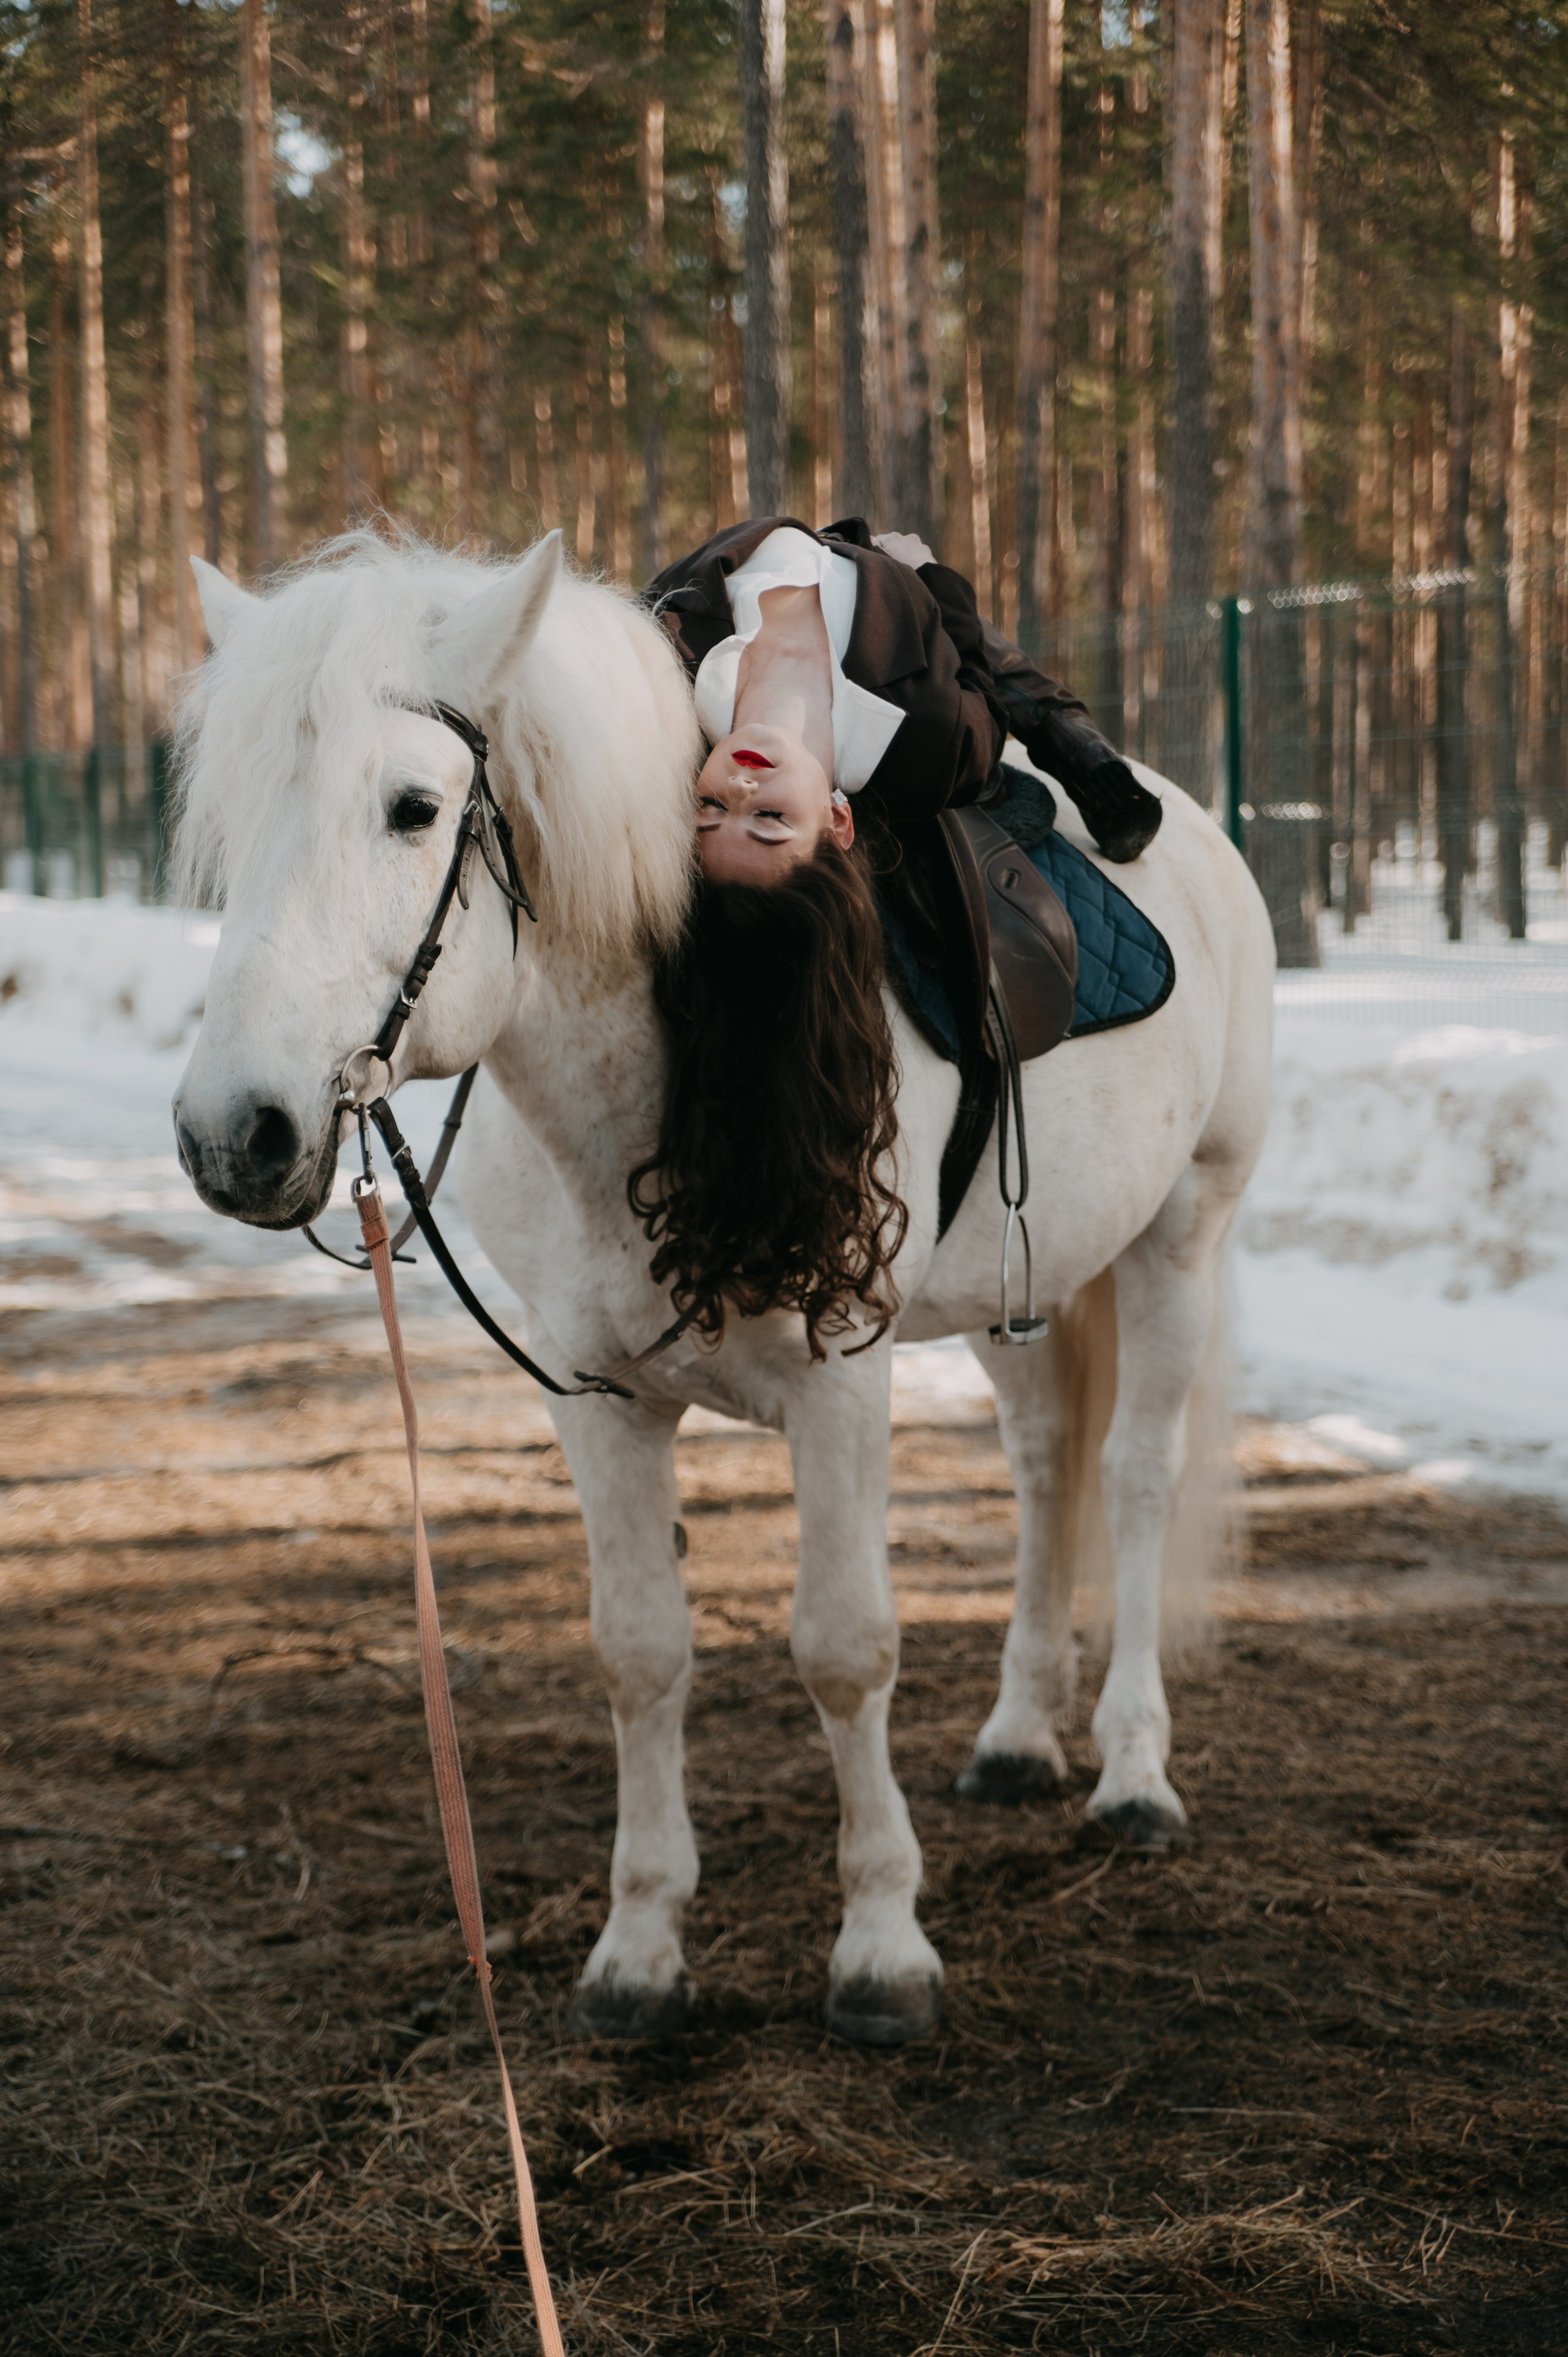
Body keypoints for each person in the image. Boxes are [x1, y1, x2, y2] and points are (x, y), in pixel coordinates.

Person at [628, 517, 1158, 1360]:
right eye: (771, 822)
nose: (740, 786)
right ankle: (1074, 744)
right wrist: (928, 575)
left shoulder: (664, 687)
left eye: (713, 811)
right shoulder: (928, 747)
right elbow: (973, 673)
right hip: (895, 567)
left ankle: (1077, 744)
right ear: (837, 820)